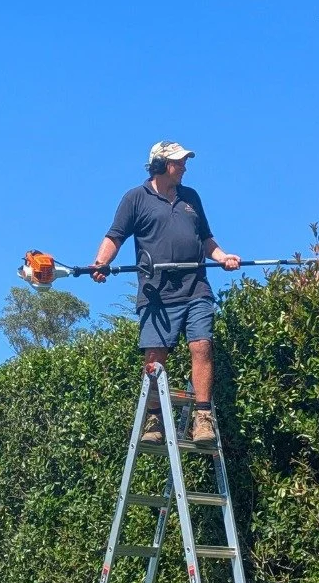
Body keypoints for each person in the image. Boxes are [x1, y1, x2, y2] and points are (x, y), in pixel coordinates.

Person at [90, 142, 240, 447]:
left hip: (196, 288)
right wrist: (101, 263)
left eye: (184, 161)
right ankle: (154, 418)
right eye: (178, 162)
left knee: (202, 346)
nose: (184, 167)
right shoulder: (135, 198)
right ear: (159, 165)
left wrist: (222, 257)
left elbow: (206, 239)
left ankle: (202, 417)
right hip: (157, 294)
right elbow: (115, 236)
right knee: (155, 357)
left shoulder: (191, 197)